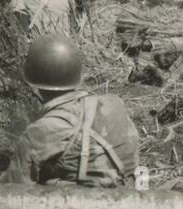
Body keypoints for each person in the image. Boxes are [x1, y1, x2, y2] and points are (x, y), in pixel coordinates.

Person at [7, 34, 139, 187]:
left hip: (81, 206)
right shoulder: (114, 103)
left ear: (34, 87)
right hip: (129, 198)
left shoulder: (39, 132)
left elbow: (12, 191)